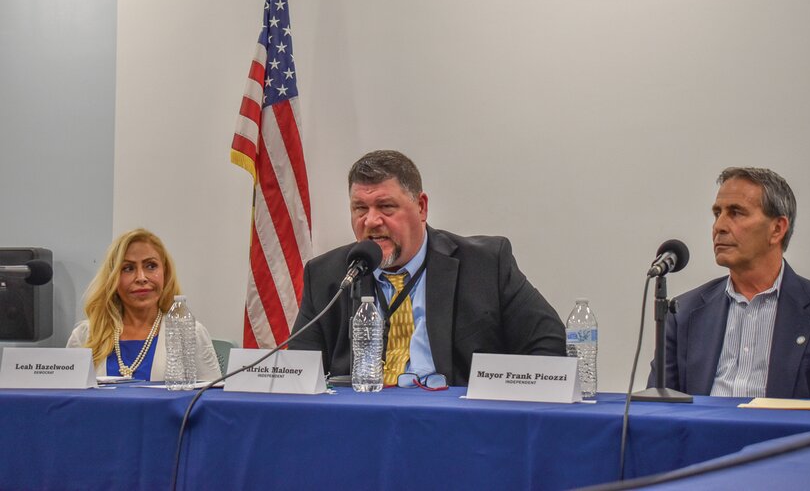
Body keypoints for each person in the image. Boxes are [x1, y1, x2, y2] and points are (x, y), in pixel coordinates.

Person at [289, 150, 566, 386]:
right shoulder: (328, 276)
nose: (371, 221)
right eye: (360, 208)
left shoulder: (485, 265)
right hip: (362, 427)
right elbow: (300, 374)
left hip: (457, 427)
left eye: (386, 207)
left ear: (421, 208)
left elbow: (549, 347)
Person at [649, 167, 810, 398]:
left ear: (777, 229)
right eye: (717, 213)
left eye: (736, 213)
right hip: (702, 433)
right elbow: (658, 410)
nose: (719, 227)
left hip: (787, 434)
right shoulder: (683, 313)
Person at [67, 228, 221, 381]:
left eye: (151, 266)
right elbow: (66, 400)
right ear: (113, 277)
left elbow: (211, 401)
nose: (141, 278)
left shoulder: (190, 332)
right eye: (128, 268)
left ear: (165, 272)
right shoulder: (84, 336)